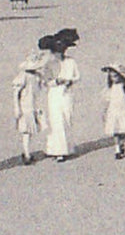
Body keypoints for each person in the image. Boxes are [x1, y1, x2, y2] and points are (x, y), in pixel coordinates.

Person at [44, 31, 79, 162]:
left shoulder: (71, 61)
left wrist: (70, 81)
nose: (59, 53)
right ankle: (57, 150)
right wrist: (56, 81)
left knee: (67, 118)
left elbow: (77, 76)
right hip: (54, 93)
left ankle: (67, 148)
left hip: (67, 93)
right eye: (57, 51)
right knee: (56, 120)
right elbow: (46, 81)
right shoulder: (49, 64)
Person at [12, 50, 47, 165]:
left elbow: (42, 89)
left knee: (32, 129)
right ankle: (26, 154)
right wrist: (17, 107)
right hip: (25, 106)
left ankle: (31, 151)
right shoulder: (23, 76)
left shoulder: (37, 76)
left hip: (34, 105)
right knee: (26, 131)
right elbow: (16, 93)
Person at [100, 64, 125, 159]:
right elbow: (107, 100)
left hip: (123, 111)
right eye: (112, 77)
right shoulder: (110, 88)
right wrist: (104, 111)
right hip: (113, 111)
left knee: (123, 130)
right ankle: (117, 149)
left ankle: (122, 142)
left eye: (116, 76)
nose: (114, 79)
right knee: (115, 131)